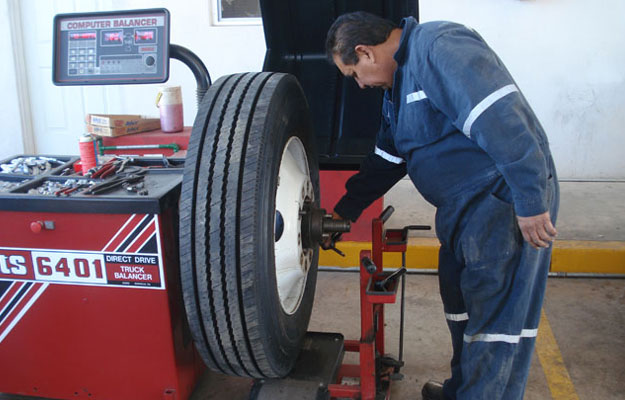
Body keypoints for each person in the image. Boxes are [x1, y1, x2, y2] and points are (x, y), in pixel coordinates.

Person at [325, 11, 559, 400]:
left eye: (354, 75)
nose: (360, 85)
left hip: (498, 200)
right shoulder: (396, 91)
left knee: (493, 319)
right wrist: (343, 212)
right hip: (462, 211)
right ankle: (462, 389)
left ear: (364, 52)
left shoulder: (438, 47)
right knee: (461, 307)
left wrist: (531, 200)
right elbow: (387, 160)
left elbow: (501, 118)